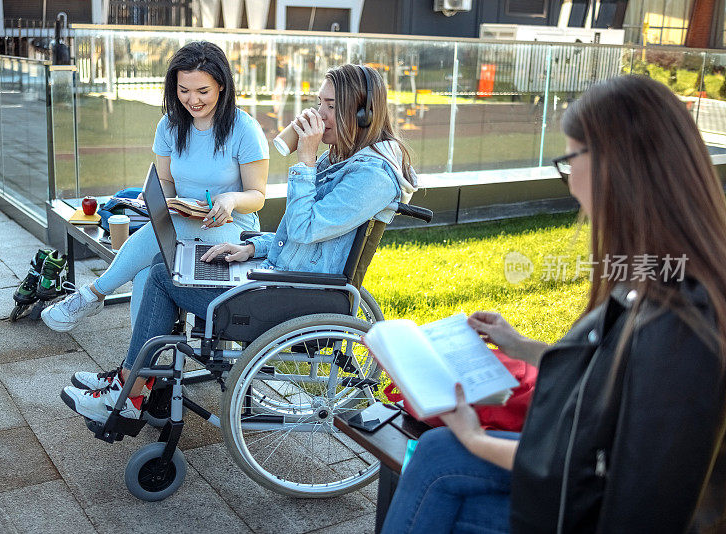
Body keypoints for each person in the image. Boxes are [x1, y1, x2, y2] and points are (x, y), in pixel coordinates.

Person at [382, 75, 726, 533]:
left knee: (437, 478)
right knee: (435, 458)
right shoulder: (663, 275)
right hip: (577, 482)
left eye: (568, 160)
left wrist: (474, 436)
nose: (568, 183)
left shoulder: (681, 321)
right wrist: (518, 344)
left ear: (612, 163)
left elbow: (603, 477)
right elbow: (608, 374)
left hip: (584, 509)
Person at [60, 63, 419, 424]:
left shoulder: (371, 175)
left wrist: (305, 161)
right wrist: (252, 248)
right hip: (283, 277)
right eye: (319, 102)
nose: (317, 113)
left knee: (161, 277)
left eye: (329, 105)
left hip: (297, 297)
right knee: (170, 267)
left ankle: (129, 393)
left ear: (360, 113)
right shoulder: (346, 158)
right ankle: (133, 385)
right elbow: (298, 235)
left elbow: (306, 227)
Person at [41, 41, 269, 332]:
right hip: (183, 221)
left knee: (169, 232)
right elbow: (166, 180)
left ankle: (94, 294)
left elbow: (257, 196)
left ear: (222, 86)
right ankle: (139, 369)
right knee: (146, 273)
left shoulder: (244, 129)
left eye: (203, 91)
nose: (193, 100)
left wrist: (231, 200)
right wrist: (158, 200)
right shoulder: (170, 126)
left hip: (233, 229)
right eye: (184, 90)